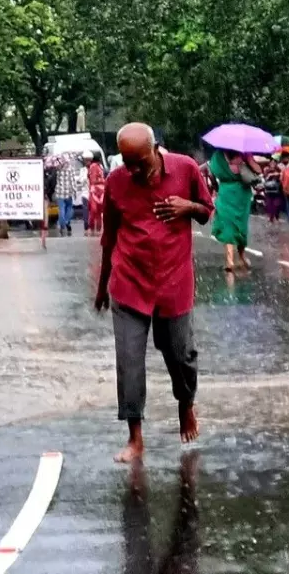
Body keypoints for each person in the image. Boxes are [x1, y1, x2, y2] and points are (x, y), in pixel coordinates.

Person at [96, 123, 214, 464]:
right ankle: (135, 438)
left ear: (155, 150)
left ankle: (186, 406)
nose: (131, 170)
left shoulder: (186, 169)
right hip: (129, 283)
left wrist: (187, 207)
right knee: (129, 361)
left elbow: (207, 211)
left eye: (138, 162)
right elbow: (109, 238)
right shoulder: (117, 182)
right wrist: (103, 284)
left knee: (181, 355)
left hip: (173, 282)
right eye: (126, 162)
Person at [209, 149, 260, 271]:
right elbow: (258, 170)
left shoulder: (217, 156)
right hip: (241, 193)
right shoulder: (245, 154)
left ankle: (230, 260)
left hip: (225, 192)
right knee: (240, 226)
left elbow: (213, 174)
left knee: (228, 225)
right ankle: (241, 256)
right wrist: (248, 161)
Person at [52, 152, 80, 236]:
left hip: (60, 191)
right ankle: (67, 221)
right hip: (68, 192)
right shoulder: (71, 168)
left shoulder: (58, 168)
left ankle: (62, 225)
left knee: (61, 209)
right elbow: (73, 181)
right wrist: (75, 191)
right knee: (70, 208)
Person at [85, 150, 107, 236]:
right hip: (95, 190)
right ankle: (92, 227)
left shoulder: (98, 166)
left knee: (98, 210)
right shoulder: (94, 166)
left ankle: (97, 229)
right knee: (95, 210)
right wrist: (102, 181)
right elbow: (93, 180)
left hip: (99, 190)